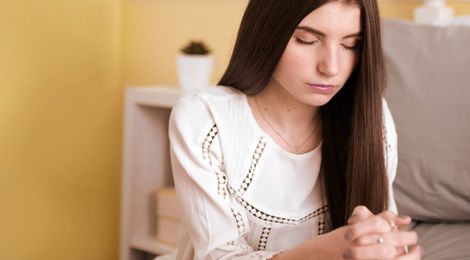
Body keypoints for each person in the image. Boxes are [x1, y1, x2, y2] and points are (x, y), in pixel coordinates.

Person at [166, 0, 422, 259]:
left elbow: (382, 232)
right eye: (307, 40)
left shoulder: (371, 117)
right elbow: (217, 255)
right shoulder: (206, 119)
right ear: (266, 33)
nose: (331, 68)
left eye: (351, 45)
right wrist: (322, 253)